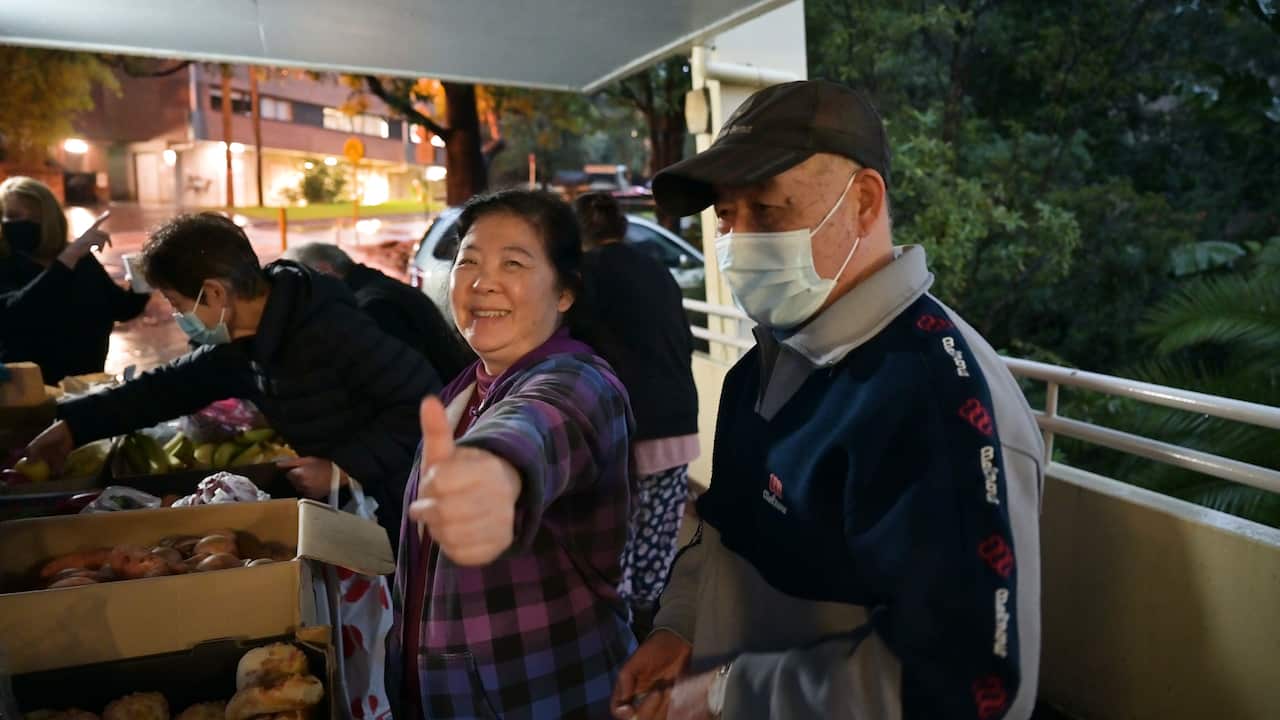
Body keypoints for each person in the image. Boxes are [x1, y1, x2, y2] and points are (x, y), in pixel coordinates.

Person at [611, 80, 1043, 720]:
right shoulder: (757, 370)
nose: (736, 241)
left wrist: (728, 694)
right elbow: (725, 534)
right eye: (726, 216)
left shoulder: (936, 402)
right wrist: (681, 627)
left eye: (767, 208)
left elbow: (967, 684)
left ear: (864, 201)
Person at [22, 212, 439, 538]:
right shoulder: (241, 344)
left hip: (399, 507)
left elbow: (427, 405)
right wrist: (72, 426)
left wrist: (342, 468)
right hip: (345, 504)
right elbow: (165, 388)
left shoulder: (329, 327)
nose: (178, 315)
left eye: (177, 302)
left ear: (216, 292)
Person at [388, 189, 636, 719]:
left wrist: (493, 472)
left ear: (564, 292)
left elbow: (533, 428)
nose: (483, 282)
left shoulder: (580, 382)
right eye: (468, 261)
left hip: (544, 696)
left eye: (513, 263)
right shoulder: (465, 388)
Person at [572, 192, 699, 634]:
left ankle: (614, 651)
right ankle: (652, 636)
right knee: (657, 545)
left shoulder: (580, 279)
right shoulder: (657, 270)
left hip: (619, 433)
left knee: (612, 550)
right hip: (677, 425)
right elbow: (684, 341)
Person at [0, 177, 149, 384]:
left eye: (35, 216)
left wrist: (143, 279)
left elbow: (121, 308)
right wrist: (67, 259)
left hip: (86, 390)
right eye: (12, 216)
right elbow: (14, 314)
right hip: (28, 397)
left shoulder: (80, 259)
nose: (24, 224)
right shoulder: (6, 264)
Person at [285, 242, 475, 383]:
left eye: (301, 287)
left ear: (324, 271)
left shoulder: (373, 306)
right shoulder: (377, 288)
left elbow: (399, 379)